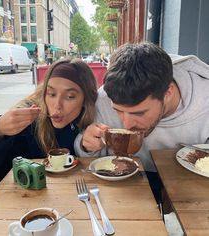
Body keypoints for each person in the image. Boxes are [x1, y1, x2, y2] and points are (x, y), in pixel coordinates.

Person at [75, 42, 209, 203]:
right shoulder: (105, 98)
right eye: (118, 110)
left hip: (190, 189)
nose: (126, 124)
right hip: (123, 189)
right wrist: (86, 145)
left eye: (139, 112)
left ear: (168, 93)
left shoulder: (204, 98)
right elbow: (93, 157)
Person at [0, 58, 98, 201]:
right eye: (51, 94)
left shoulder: (91, 121)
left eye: (70, 96)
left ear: (85, 100)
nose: (57, 105)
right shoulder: (28, 121)